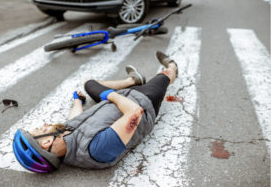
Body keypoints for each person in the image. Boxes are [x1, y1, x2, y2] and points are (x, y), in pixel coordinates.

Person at [13, 51, 178, 173]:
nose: (45, 124)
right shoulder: (96, 150)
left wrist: (78, 101)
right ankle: (172, 65)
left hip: (112, 102)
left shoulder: (65, 136)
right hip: (141, 100)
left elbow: (74, 119)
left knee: (88, 83)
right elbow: (135, 112)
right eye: (42, 129)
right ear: (47, 143)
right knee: (164, 75)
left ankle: (132, 80)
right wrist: (111, 94)